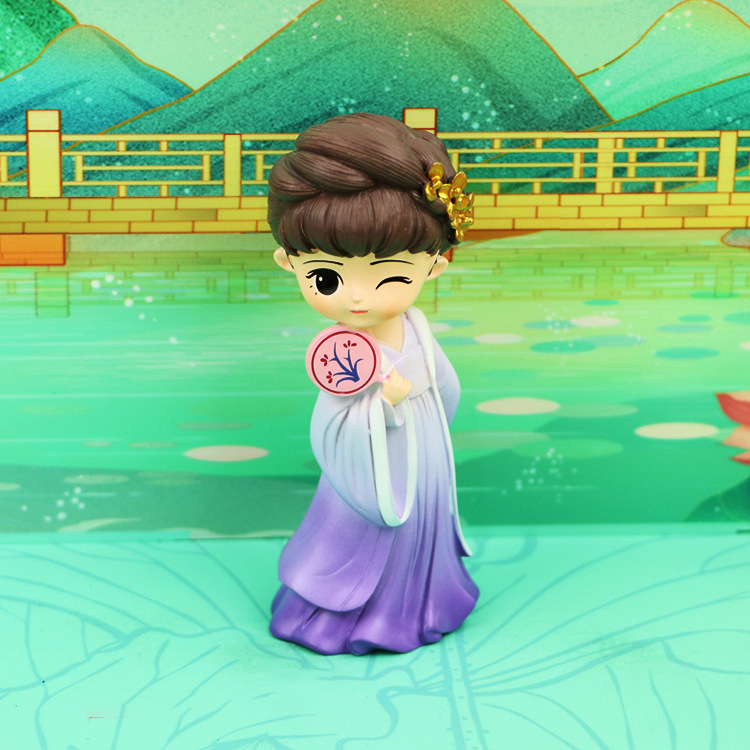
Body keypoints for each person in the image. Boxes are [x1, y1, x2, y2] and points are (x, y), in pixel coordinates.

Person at [267, 112, 478, 655]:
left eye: (391, 277)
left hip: (421, 447)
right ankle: (339, 616)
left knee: (419, 524)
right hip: (369, 461)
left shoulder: (417, 328)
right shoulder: (339, 352)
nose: (358, 298)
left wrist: (424, 409)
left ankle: (422, 603)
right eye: (328, 278)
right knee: (358, 530)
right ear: (289, 264)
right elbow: (330, 425)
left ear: (434, 267)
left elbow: (446, 390)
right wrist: (380, 408)